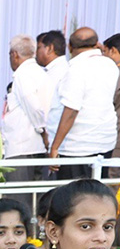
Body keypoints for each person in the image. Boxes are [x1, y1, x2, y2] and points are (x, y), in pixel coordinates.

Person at [48, 28, 119, 180]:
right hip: (106, 144)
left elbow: (71, 110)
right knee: (99, 197)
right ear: (96, 44)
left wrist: (55, 147)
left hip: (77, 148)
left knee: (75, 200)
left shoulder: (76, 69)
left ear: (70, 47)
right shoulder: (111, 66)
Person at [2, 35, 51, 206]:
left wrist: (42, 130)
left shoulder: (22, 74)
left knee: (18, 205)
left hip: (22, 148)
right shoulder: (42, 73)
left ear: (14, 54)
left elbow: (35, 107)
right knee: (37, 204)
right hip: (38, 148)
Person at [39, 30, 70, 152]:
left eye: (38, 48)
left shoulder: (58, 73)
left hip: (56, 142)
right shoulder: (53, 72)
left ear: (49, 48)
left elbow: (47, 109)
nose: (35, 53)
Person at [104, 33, 120, 177]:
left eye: (105, 52)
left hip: (117, 136)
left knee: (113, 176)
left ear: (113, 51)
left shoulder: (114, 73)